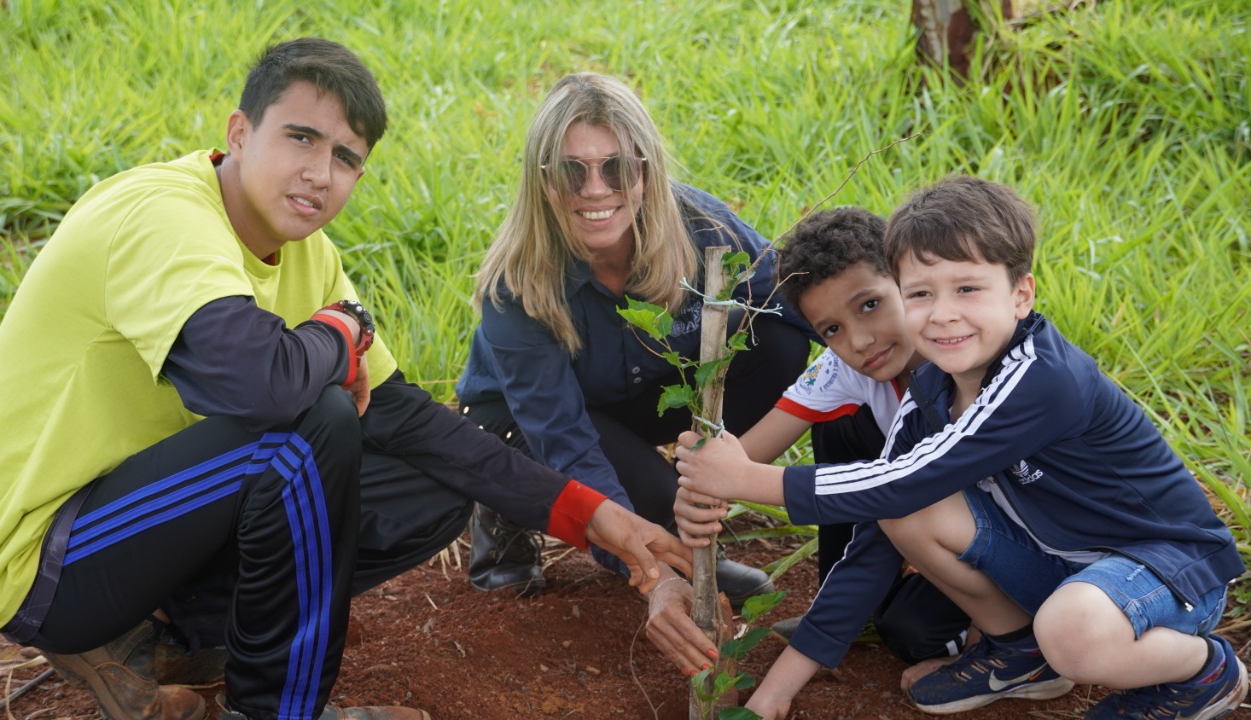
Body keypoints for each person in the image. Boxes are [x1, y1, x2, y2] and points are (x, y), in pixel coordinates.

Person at [0, 38, 691, 720]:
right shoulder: (163, 216)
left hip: (139, 525)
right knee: (302, 432)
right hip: (46, 561)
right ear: (241, 132)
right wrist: (342, 331)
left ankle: (179, 634)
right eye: (301, 137)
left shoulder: (307, 255)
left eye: (346, 157)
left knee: (437, 478)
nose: (320, 172)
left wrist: (600, 518)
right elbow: (263, 387)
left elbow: (409, 421)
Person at [672, 176, 1247, 719]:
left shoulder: (1040, 379)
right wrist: (775, 692)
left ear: (1021, 294)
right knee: (907, 515)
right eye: (922, 293)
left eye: (967, 289)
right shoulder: (931, 391)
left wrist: (749, 481)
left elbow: (900, 480)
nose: (943, 313)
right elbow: (880, 519)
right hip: (1062, 569)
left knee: (1071, 628)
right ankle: (1023, 652)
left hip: (1166, 570)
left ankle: (1204, 670)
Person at [454, 72, 811, 615]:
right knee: (639, 492)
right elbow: (563, 436)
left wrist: (900, 363)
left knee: (780, 343)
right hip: (533, 419)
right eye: (572, 171)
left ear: (646, 171)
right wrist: (652, 569)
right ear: (542, 180)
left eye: (617, 167)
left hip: (646, 392)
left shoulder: (704, 228)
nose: (596, 189)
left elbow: (797, 302)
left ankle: (680, 513)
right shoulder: (518, 281)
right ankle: (509, 509)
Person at [668, 207, 971, 677]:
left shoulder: (963, 352)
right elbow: (746, 455)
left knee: (913, 632)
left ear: (905, 280)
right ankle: (855, 607)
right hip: (919, 511)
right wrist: (700, 486)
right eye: (832, 330)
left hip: (1000, 526)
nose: (861, 341)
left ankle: (1000, 641)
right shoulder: (846, 366)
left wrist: (740, 479)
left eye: (870, 304)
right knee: (838, 424)